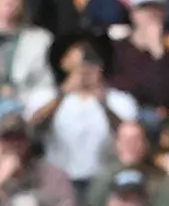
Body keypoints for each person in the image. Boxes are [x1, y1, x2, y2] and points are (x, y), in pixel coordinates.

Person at [26, 39, 140, 190]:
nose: (84, 71)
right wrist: (63, 94)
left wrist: (102, 101)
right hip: (60, 180)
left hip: (104, 180)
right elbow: (33, 130)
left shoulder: (120, 100)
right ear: (64, 65)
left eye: (90, 64)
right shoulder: (43, 97)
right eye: (78, 66)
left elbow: (129, 136)